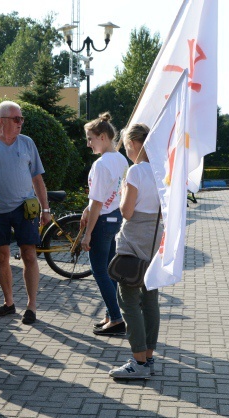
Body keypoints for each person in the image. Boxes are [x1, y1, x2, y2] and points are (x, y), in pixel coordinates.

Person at [0, 101, 50, 325]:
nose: (21, 123)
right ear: (2, 121)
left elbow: (37, 178)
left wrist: (46, 209)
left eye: (22, 119)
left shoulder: (27, 143)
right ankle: (9, 303)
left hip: (25, 208)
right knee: (1, 256)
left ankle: (31, 306)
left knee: (29, 254)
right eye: (17, 119)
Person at [108, 124, 161, 380]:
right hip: (155, 238)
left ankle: (138, 362)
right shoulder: (163, 171)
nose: (126, 148)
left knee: (128, 298)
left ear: (137, 143)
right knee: (150, 299)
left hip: (134, 237)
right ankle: (148, 358)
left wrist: (122, 195)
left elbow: (127, 212)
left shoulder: (136, 172)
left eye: (127, 143)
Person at [80, 112, 129, 336]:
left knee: (99, 270)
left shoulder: (101, 165)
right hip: (115, 218)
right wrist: (88, 208)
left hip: (102, 221)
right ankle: (112, 313)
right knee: (109, 271)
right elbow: (105, 195)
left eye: (90, 138)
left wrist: (87, 233)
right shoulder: (120, 159)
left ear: (102, 137)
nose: (88, 144)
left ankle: (116, 318)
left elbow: (98, 201)